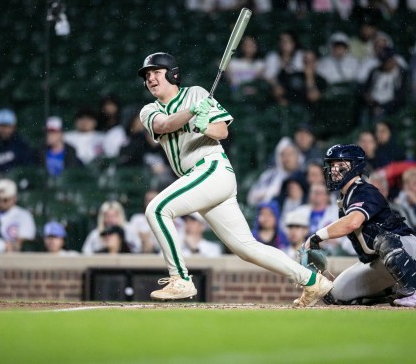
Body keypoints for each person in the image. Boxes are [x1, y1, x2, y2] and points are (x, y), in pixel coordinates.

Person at [137, 52, 332, 306]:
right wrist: (192, 114)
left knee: (157, 209)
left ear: (173, 73)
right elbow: (164, 125)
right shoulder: (148, 110)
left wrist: (204, 125)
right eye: (147, 75)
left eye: (156, 72)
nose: (151, 78)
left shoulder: (196, 92)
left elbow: (222, 130)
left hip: (211, 169)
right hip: (199, 180)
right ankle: (312, 281)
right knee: (245, 248)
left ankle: (180, 279)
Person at [304, 144, 416, 307]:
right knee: (335, 294)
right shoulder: (345, 198)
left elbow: (353, 222)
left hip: (408, 248)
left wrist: (316, 237)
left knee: (383, 240)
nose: (334, 169)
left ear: (356, 166)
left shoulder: (364, 190)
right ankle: (393, 290)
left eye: (341, 165)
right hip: (380, 261)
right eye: (332, 164)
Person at [0, 179, 36, 252]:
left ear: (14, 198)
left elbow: (24, 242)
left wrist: (5, 246)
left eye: (5, 200)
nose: (0, 203)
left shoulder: (24, 216)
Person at [97, 94, 128, 159]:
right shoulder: (98, 123)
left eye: (111, 104)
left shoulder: (124, 123)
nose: (108, 107)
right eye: (106, 105)